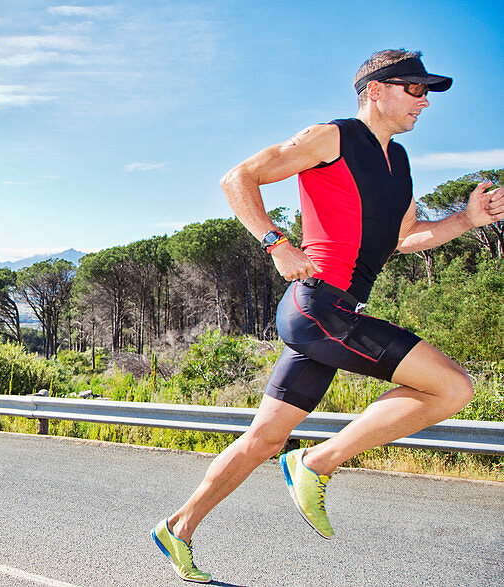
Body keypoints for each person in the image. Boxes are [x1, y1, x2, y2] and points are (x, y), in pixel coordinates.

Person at [152, 49, 504, 583]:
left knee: (264, 440)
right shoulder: (332, 137)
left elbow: (406, 239)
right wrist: (276, 243)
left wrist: (465, 218)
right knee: (453, 387)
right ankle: (315, 463)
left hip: (334, 315)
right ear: (375, 91)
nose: (424, 100)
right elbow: (237, 178)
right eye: (414, 88)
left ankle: (178, 527)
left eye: (426, 91)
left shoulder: (400, 163)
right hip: (317, 304)